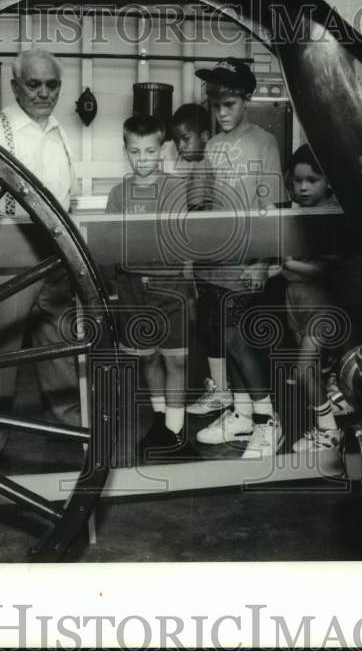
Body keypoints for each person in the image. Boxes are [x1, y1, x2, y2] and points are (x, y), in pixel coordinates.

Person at [0, 48, 80, 469]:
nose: (44, 93)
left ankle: (67, 427)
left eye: (52, 85)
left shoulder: (61, 131)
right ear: (14, 86)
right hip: (7, 257)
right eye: (34, 84)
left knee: (60, 345)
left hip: (56, 258)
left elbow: (66, 197)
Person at [192, 58, 288, 459]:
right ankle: (243, 414)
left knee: (238, 338)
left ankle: (270, 421)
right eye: (215, 104)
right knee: (219, 335)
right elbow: (208, 209)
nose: (221, 112)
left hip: (247, 261)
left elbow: (273, 209)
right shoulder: (212, 147)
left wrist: (263, 262)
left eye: (229, 103)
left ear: (246, 99)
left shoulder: (264, 142)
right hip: (215, 262)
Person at [106, 114, 196, 461]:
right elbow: (113, 246)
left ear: (162, 149)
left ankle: (175, 432)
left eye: (150, 151)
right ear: (125, 151)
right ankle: (161, 421)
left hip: (169, 286)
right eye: (135, 152)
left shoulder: (175, 187)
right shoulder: (117, 193)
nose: (143, 160)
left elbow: (178, 242)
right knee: (148, 358)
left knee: (175, 360)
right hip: (132, 287)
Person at [268, 144, 354, 454]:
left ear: (328, 181)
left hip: (322, 305)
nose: (303, 187)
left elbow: (329, 269)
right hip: (297, 303)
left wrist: (287, 263)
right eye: (297, 180)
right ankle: (334, 409)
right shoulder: (299, 211)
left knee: (303, 371)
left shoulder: (332, 214)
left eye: (312, 180)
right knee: (312, 371)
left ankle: (329, 432)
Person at [165, 102, 234, 416]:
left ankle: (222, 391)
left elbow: (196, 216)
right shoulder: (197, 164)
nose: (181, 145)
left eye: (186, 138)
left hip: (207, 258)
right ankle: (221, 388)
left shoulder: (203, 165)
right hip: (210, 257)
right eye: (177, 139)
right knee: (210, 326)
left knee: (211, 325)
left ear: (205, 136)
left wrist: (189, 260)